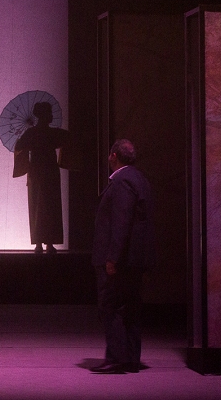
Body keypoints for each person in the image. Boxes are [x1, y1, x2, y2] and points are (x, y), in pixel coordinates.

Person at [90, 139, 156, 374]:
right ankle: (130, 358)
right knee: (130, 307)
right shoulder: (140, 179)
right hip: (134, 260)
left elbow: (121, 222)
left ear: (114, 155)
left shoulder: (122, 181)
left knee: (111, 306)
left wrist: (112, 258)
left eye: (109, 156)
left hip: (121, 261)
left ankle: (117, 358)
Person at [13, 101, 75, 253]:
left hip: (36, 171)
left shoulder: (31, 133)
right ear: (44, 115)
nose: (52, 116)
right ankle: (48, 243)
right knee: (51, 207)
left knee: (37, 206)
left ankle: (40, 243)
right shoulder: (54, 133)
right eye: (49, 113)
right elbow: (70, 138)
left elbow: (20, 146)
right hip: (49, 171)